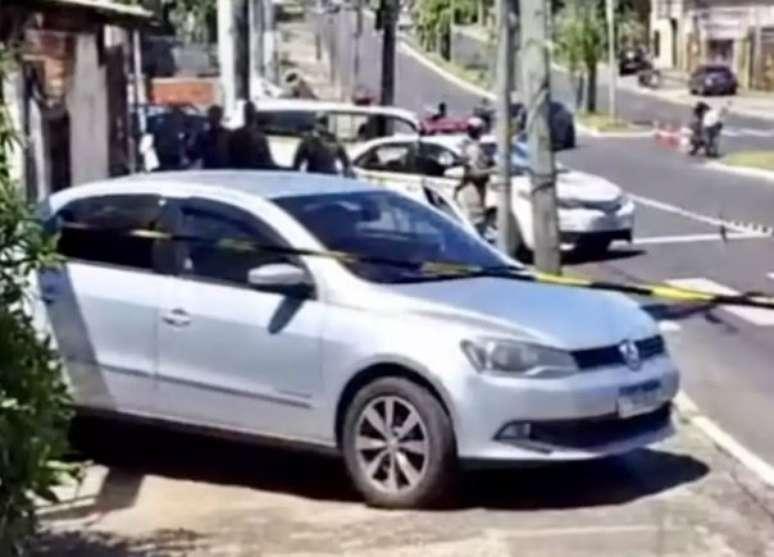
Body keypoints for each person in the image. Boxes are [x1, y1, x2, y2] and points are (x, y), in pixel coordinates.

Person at [455, 117, 494, 234]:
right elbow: (474, 173)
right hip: (472, 193)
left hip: (473, 192)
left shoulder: (468, 146)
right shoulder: (473, 149)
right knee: (475, 228)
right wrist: (493, 170)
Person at [229, 101, 277, 170]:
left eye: (250, 111)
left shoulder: (260, 135)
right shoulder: (237, 134)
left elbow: (267, 158)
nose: (250, 113)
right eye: (248, 111)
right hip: (243, 171)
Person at [189, 105, 230, 169]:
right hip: (212, 169)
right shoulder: (202, 135)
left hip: (220, 169)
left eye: (215, 116)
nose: (214, 118)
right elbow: (194, 154)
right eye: (212, 116)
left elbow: (194, 155)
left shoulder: (227, 134)